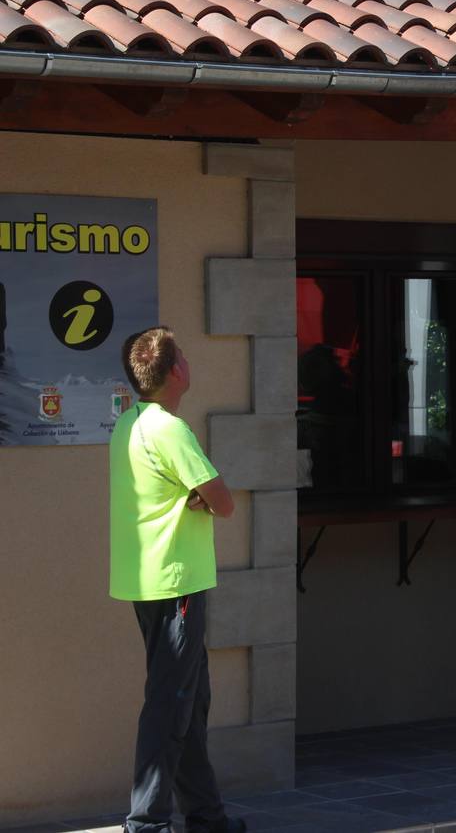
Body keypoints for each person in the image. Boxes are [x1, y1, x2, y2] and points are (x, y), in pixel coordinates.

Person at [108, 327, 244, 833]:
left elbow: (170, 492)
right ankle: (146, 823)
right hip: (176, 584)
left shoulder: (129, 423)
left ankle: (207, 817)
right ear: (175, 372)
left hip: (147, 582)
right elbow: (225, 503)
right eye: (183, 355)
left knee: (190, 700)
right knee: (171, 704)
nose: (189, 360)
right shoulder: (171, 429)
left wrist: (194, 496)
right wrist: (202, 497)